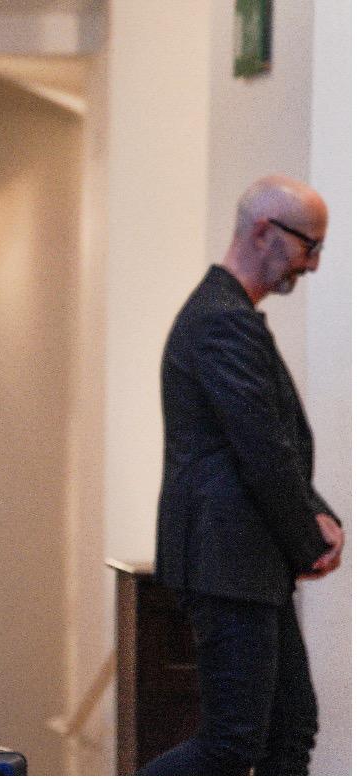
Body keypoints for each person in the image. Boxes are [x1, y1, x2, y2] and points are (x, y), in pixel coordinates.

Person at [143, 175, 343, 775]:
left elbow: (266, 442)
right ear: (263, 232)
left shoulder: (231, 315)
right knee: (232, 744)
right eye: (309, 245)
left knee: (289, 729)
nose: (310, 265)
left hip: (247, 563)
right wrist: (311, 535)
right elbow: (260, 449)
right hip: (228, 563)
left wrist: (315, 514)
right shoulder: (220, 320)